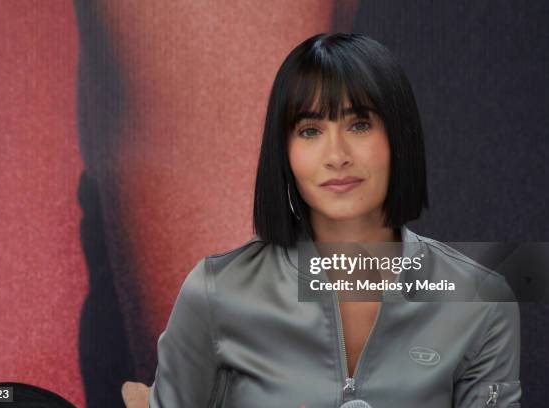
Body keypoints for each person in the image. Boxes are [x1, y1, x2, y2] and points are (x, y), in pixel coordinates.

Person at [125, 33, 521, 408]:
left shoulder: (480, 299)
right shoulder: (215, 291)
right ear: (285, 153)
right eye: (310, 130)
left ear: (400, 137)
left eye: (359, 124)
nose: (337, 155)